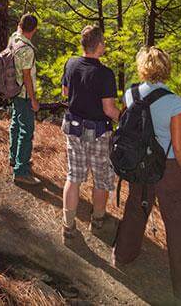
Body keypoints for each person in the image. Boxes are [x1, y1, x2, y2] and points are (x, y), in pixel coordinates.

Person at [113, 46, 181, 302]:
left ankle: (122, 256)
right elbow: (179, 143)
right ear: (166, 68)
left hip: (139, 165)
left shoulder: (130, 93)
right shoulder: (173, 102)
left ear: (143, 67)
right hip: (168, 167)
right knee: (175, 224)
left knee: (134, 209)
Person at [61, 25, 121, 238]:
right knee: (102, 178)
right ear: (99, 45)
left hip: (73, 128)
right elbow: (109, 109)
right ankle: (97, 221)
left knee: (74, 176)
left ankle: (68, 226)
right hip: (98, 134)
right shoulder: (105, 74)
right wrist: (125, 118)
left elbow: (65, 93)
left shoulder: (71, 64)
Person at [9, 13, 40, 185]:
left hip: (14, 90)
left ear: (20, 25)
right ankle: (21, 171)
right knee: (26, 131)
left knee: (15, 124)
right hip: (24, 94)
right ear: (34, 30)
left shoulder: (14, 38)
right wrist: (34, 99)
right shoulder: (27, 50)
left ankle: (14, 157)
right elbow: (27, 77)